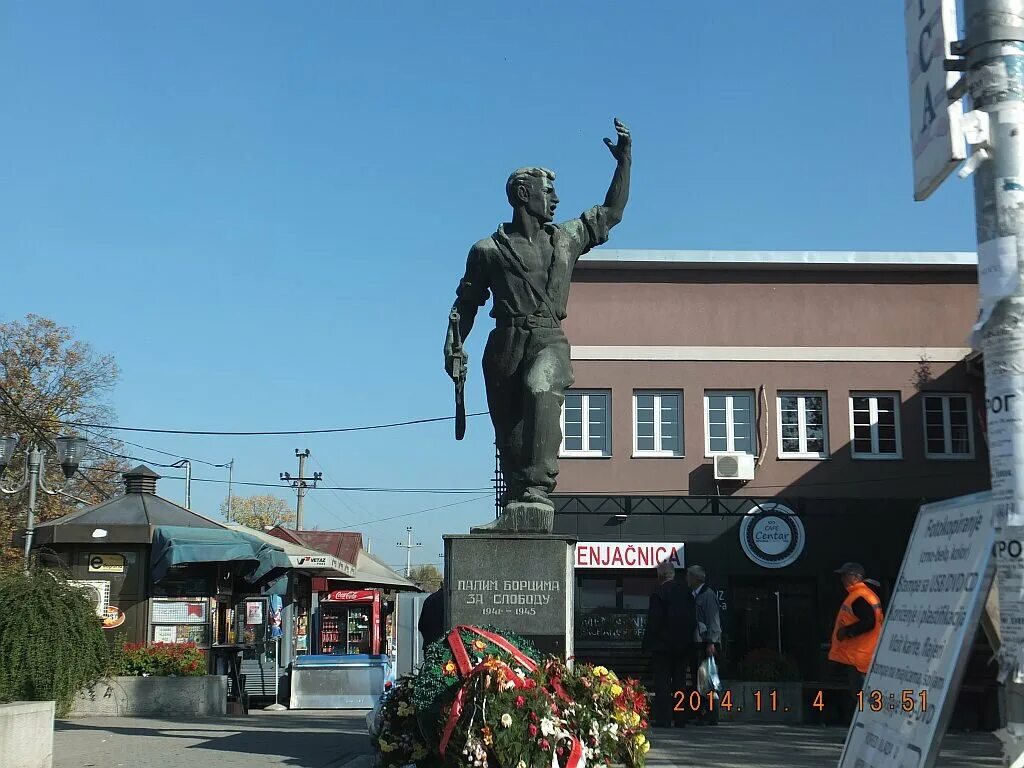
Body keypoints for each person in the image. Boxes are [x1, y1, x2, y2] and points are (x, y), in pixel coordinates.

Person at [444, 119, 631, 529]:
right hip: (504, 343)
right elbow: (468, 302)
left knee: (541, 387)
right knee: (509, 431)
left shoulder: (565, 238)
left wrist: (624, 162)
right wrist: (453, 344)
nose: (557, 200)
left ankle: (538, 488)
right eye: (549, 192)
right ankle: (517, 504)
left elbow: (612, 212)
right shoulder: (487, 250)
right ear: (523, 194)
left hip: (548, 336)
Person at [642, 559, 695, 728]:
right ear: (673, 574)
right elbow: (692, 619)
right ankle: (680, 718)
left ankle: (664, 719)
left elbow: (654, 621)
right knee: (680, 681)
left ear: (660, 575)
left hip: (662, 647)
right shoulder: (686, 592)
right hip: (682, 646)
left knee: (663, 683)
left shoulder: (658, 593)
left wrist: (648, 643)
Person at [828, 562, 883, 719]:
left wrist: (848, 632)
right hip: (861, 656)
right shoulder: (862, 595)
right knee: (862, 699)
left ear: (855, 577)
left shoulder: (860, 596)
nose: (842, 579)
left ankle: (864, 734)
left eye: (844, 575)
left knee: (862, 700)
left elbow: (869, 621)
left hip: (859, 658)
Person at [686, 565, 722, 726]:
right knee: (699, 680)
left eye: (688, 576)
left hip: (705, 643)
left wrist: (711, 642)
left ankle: (711, 714)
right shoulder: (695, 595)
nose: (686, 578)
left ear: (695, 578)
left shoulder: (707, 595)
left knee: (707, 680)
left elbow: (713, 620)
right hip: (697, 642)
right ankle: (701, 712)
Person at [418, 588, 445, 654]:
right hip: (446, 647)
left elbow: (420, 625)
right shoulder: (449, 599)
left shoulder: (429, 599)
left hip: (429, 646)